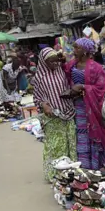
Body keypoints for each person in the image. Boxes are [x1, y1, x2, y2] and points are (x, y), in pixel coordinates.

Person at [64, 38, 105, 172]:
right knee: (80, 136)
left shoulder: (96, 68)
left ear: (86, 51)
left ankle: (100, 166)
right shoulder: (71, 65)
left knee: (95, 133)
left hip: (91, 106)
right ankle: (85, 167)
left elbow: (100, 88)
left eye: (77, 48)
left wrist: (83, 87)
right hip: (75, 107)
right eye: (74, 47)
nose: (74, 51)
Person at [33, 47, 77, 182]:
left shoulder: (62, 70)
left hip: (68, 111)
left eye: (55, 61)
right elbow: (37, 98)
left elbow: (72, 66)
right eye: (50, 62)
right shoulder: (39, 77)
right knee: (56, 145)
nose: (54, 64)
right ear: (43, 62)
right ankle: (55, 173)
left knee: (71, 142)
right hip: (52, 116)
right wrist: (44, 105)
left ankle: (71, 171)